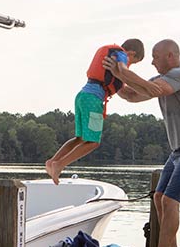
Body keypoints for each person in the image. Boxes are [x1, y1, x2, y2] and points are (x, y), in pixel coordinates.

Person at [103, 39, 180, 247]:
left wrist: (121, 70)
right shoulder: (161, 80)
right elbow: (133, 95)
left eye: (155, 56)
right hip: (179, 151)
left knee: (170, 202)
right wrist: (113, 80)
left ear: (170, 56)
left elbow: (153, 90)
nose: (151, 61)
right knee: (159, 197)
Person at [45, 39, 145, 185]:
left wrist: (143, 92)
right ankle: (59, 165)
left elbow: (122, 87)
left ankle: (52, 161)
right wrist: (144, 84)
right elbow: (123, 71)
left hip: (82, 96)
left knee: (80, 138)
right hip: (93, 100)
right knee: (93, 142)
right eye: (134, 62)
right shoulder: (122, 55)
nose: (131, 65)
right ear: (132, 53)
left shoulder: (113, 55)